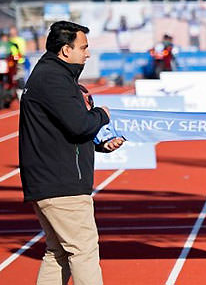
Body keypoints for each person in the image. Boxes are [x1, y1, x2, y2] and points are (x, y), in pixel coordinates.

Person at [19, 21, 124, 285]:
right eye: (83, 48)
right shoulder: (54, 79)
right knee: (83, 251)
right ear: (66, 50)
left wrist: (100, 144)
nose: (87, 54)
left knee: (59, 253)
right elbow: (78, 125)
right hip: (61, 185)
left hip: (50, 181)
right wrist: (102, 115)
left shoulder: (50, 75)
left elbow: (65, 128)